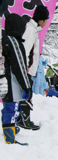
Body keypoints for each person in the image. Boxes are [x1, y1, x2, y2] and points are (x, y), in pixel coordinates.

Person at [17, 5, 49, 130]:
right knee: (26, 93)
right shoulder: (30, 29)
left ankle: (21, 118)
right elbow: (24, 50)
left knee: (25, 93)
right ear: (41, 20)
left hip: (29, 68)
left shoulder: (33, 29)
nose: (46, 22)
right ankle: (24, 120)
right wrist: (25, 67)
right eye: (46, 19)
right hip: (26, 69)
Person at [2, 13, 31, 144]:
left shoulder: (3, 39)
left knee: (8, 106)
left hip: (3, 80)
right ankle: (9, 138)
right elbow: (19, 65)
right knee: (12, 108)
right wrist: (26, 85)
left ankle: (9, 129)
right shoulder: (13, 41)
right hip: (11, 82)